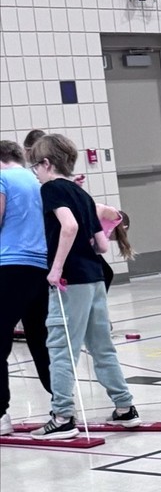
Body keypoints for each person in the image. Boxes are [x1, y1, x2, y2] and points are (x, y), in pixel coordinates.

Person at [27, 134, 140, 440]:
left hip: (70, 280)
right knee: (102, 346)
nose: (34, 171)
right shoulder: (84, 196)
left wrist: (57, 268)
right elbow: (103, 244)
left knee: (61, 347)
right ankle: (124, 407)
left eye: (35, 165)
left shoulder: (50, 189)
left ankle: (62, 416)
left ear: (47, 164)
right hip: (94, 277)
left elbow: (70, 226)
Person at [0, 139, 51, 436]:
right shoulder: (37, 180)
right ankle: (62, 406)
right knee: (41, 340)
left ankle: (1, 415)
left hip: (9, 265)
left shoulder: (3, 178)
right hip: (39, 266)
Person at [95, 204, 135, 292]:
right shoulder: (116, 217)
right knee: (106, 272)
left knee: (106, 273)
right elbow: (99, 208)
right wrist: (90, 226)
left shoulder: (104, 234)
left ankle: (98, 299)